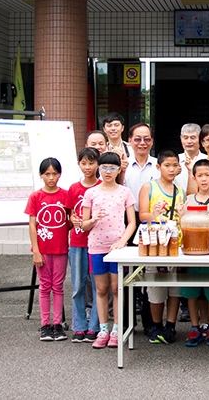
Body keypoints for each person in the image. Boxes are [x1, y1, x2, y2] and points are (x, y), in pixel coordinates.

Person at [78, 151, 138, 349]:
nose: (108, 171)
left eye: (112, 168)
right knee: (101, 289)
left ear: (119, 169)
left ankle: (116, 329)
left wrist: (122, 241)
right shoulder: (91, 193)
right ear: (98, 168)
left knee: (116, 288)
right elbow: (84, 226)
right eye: (104, 167)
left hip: (118, 249)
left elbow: (132, 223)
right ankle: (103, 330)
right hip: (96, 247)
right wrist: (93, 219)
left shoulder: (124, 192)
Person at [138, 150, 186, 345]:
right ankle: (156, 325)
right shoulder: (148, 187)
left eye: (175, 165)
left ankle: (170, 325)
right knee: (156, 288)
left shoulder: (180, 190)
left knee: (175, 289)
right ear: (158, 167)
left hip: (176, 244)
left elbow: (182, 219)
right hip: (155, 246)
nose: (171, 169)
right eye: (167, 165)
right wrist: (154, 214)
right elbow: (142, 215)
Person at [177, 159, 209, 347]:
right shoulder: (188, 200)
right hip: (190, 251)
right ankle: (195, 326)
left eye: (207, 175)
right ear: (194, 177)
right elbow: (183, 226)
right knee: (191, 290)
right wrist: (181, 215)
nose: (204, 179)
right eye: (200, 175)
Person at [26, 157, 72, 342]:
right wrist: (36, 251)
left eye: (54, 174)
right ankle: (45, 324)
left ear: (60, 174)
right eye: (47, 174)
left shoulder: (66, 194)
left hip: (61, 248)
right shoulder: (36, 197)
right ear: (41, 175)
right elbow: (32, 225)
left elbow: (69, 221)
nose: (51, 178)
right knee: (45, 286)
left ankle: (57, 324)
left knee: (58, 286)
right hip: (42, 249)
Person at [67, 147, 102, 342]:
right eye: (83, 163)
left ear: (98, 164)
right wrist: (73, 219)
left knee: (98, 285)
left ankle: (95, 326)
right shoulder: (74, 188)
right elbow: (70, 214)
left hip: (97, 243)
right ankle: (79, 325)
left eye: (91, 162)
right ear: (79, 164)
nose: (87, 167)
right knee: (78, 286)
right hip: (78, 242)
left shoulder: (101, 186)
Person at [123, 123, 158, 212]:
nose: (142, 143)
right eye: (137, 139)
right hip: (128, 217)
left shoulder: (160, 165)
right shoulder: (123, 165)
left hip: (154, 217)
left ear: (152, 142)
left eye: (147, 139)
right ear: (130, 141)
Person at [174, 123, 203, 193]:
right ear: (181, 138)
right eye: (185, 138)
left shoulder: (206, 160)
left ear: (200, 138)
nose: (189, 141)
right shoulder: (174, 161)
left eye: (193, 138)